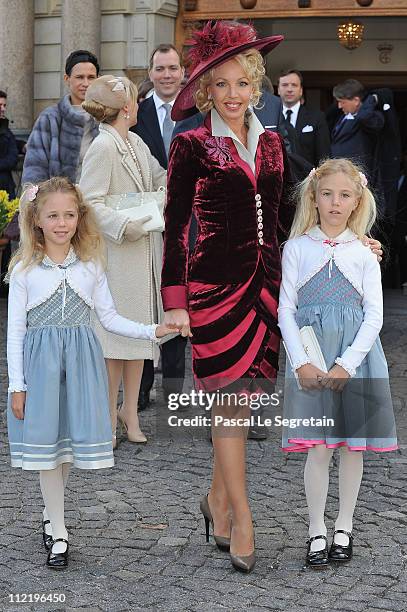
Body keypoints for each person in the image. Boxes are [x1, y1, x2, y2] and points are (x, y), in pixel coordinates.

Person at [161, 20, 291, 574]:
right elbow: (173, 227)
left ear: (255, 84)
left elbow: (286, 216)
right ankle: (242, 517)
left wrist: (350, 238)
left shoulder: (272, 142)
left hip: (266, 287)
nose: (233, 96)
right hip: (212, 290)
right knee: (229, 407)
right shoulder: (191, 144)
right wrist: (175, 300)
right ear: (207, 90)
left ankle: (215, 501)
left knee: (241, 405)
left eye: (242, 84)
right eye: (222, 86)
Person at [6, 177, 175, 570]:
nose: (62, 223)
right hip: (40, 369)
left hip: (82, 366)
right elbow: (15, 332)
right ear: (37, 221)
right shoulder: (24, 272)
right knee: (47, 449)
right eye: (53, 215)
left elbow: (110, 317)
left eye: (69, 215)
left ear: (79, 219)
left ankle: (52, 515)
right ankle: (60, 531)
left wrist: (152, 330)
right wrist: (18, 385)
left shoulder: (91, 266)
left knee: (65, 446)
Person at [278, 158, 397, 569]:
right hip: (312, 362)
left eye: (344, 195)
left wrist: (347, 363)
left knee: (351, 448)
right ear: (313, 196)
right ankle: (315, 529)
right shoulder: (296, 249)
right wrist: (301, 363)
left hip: (356, 362)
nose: (334, 202)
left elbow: (375, 315)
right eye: (327, 194)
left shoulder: (363, 254)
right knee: (318, 449)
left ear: (356, 201)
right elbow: (285, 311)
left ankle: (344, 525)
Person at [80, 75, 167, 448]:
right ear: (127, 108)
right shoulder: (103, 146)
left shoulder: (134, 141)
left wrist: (164, 193)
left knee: (139, 342)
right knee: (114, 343)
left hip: (145, 255)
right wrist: (125, 225)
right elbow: (89, 201)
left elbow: (160, 176)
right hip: (118, 256)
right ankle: (105, 415)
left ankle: (129, 412)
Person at [132, 43, 188, 410]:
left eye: (173, 68)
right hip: (146, 224)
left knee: (177, 304)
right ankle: (140, 390)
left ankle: (174, 391)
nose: (167, 75)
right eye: (160, 69)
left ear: (182, 72)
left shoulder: (199, 110)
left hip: (187, 226)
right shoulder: (134, 113)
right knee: (145, 307)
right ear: (150, 73)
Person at [22, 50, 100, 185]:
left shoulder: (106, 117)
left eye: (91, 77)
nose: (86, 83)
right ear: (67, 79)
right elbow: (34, 169)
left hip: (99, 200)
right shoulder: (50, 118)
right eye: (80, 77)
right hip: (60, 202)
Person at [331, 79, 384, 192]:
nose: (339, 106)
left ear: (356, 100)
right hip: (338, 173)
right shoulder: (342, 117)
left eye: (342, 102)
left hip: (357, 176)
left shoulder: (371, 117)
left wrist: (371, 99)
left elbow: (363, 116)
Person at [277, 69, 330, 168]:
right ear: (278, 90)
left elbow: (324, 156)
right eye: (285, 85)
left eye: (294, 85)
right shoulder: (271, 117)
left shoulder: (317, 117)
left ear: (301, 90)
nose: (289, 89)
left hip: (307, 179)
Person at [0, 90, 19, 198]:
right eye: (0, 105)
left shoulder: (4, 127)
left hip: (6, 187)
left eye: (4, 105)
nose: (3, 109)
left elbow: (10, 142)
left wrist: (22, 145)